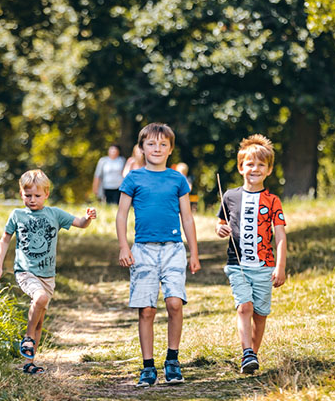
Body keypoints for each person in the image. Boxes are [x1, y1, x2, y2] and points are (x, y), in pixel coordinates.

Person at [116, 123, 200, 387]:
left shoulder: (177, 180)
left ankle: (172, 360)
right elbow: (121, 215)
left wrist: (194, 252)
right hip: (143, 250)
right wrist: (123, 246)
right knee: (147, 310)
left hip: (173, 248)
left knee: (174, 303)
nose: (157, 149)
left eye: (163, 144)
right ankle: (148, 367)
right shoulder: (133, 179)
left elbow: (187, 218)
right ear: (141, 148)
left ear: (171, 149)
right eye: (151, 144)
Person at [0, 169, 96, 374]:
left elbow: (80, 224)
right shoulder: (17, 215)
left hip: (48, 275)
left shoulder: (54, 214)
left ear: (46, 194)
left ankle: (29, 364)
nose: (32, 200)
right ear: (21, 194)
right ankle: (27, 338)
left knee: (40, 320)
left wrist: (88, 217)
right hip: (25, 272)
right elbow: (5, 239)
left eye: (37, 196)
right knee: (38, 298)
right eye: (27, 195)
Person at [216, 134, 286, 374]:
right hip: (238, 265)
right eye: (249, 164)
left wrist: (280, 266)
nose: (254, 169)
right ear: (240, 167)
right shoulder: (230, 196)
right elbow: (221, 223)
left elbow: (280, 236)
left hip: (265, 267)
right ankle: (247, 352)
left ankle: (252, 356)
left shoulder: (273, 200)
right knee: (244, 307)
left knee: (260, 313)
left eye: (261, 165)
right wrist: (220, 230)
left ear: (268, 170)